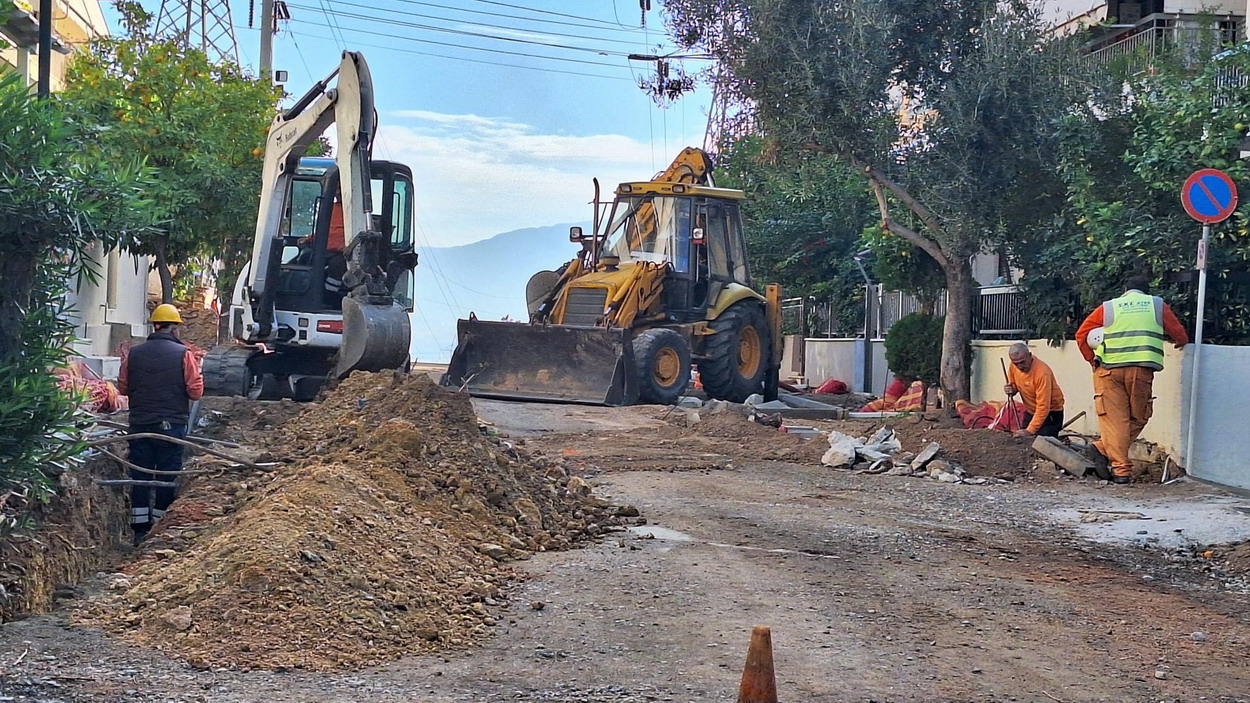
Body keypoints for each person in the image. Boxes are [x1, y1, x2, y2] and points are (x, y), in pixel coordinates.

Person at [1076, 275, 1189, 484]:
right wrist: (1181, 342)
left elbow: (1081, 334)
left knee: (1116, 421)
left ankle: (1103, 449)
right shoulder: (1156, 305)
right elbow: (1178, 332)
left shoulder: (1110, 307)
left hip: (1109, 371)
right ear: (1147, 291)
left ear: (1125, 290)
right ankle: (1121, 469)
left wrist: (1091, 360)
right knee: (1139, 416)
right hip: (1141, 371)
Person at [117, 304, 204, 545]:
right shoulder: (184, 354)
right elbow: (195, 392)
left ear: (154, 326)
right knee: (166, 475)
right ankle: (160, 527)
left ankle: (139, 530)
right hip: (171, 425)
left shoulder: (134, 354)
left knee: (140, 474)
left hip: (140, 423)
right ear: (174, 328)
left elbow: (123, 388)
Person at [1003, 342, 1065, 438]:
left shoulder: (1042, 373)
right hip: (1031, 411)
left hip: (1051, 413)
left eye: (1022, 362)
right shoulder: (1013, 366)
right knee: (1022, 442)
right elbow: (1014, 385)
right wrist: (1011, 389)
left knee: (1043, 446)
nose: (1020, 366)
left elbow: (1043, 407)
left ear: (1029, 356)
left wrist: (1030, 431)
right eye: (1016, 363)